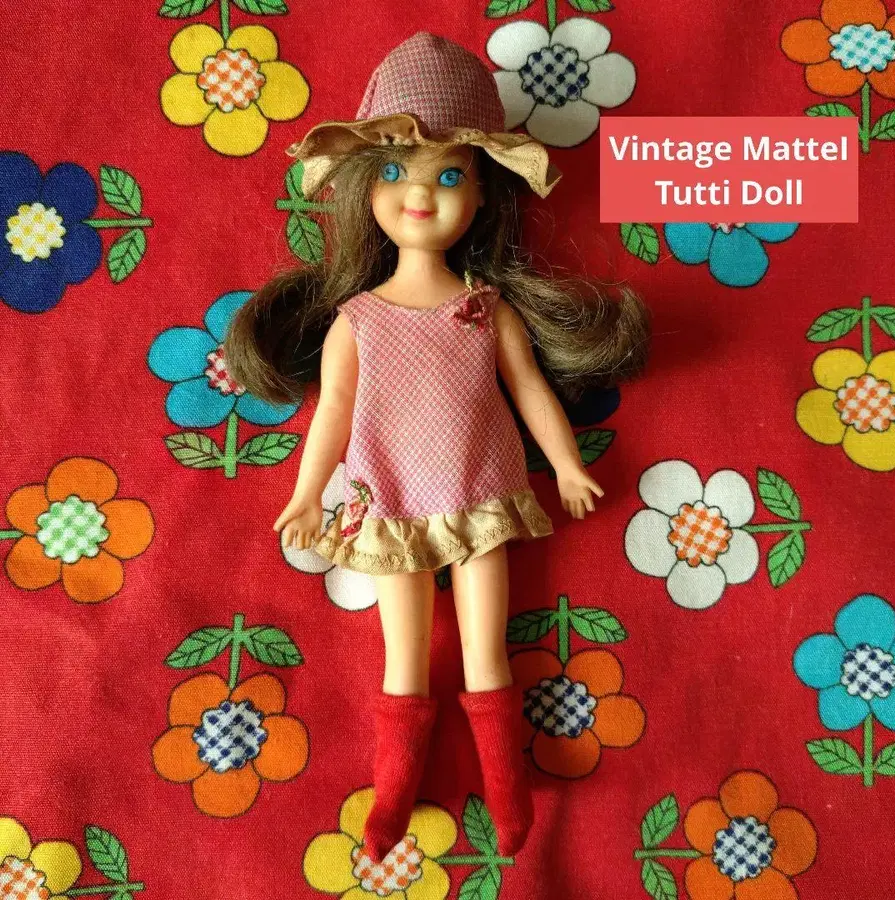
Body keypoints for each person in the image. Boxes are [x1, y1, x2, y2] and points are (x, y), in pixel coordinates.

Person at [224, 31, 649, 864]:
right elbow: (334, 412)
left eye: (449, 177)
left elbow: (529, 391)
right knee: (404, 657)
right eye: (396, 173)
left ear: (483, 195)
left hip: (481, 496)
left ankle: (507, 790)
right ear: (366, 189)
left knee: (488, 649)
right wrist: (307, 495)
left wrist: (567, 464)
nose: (420, 196)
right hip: (386, 500)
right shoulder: (358, 320)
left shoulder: (486, 310)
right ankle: (393, 790)